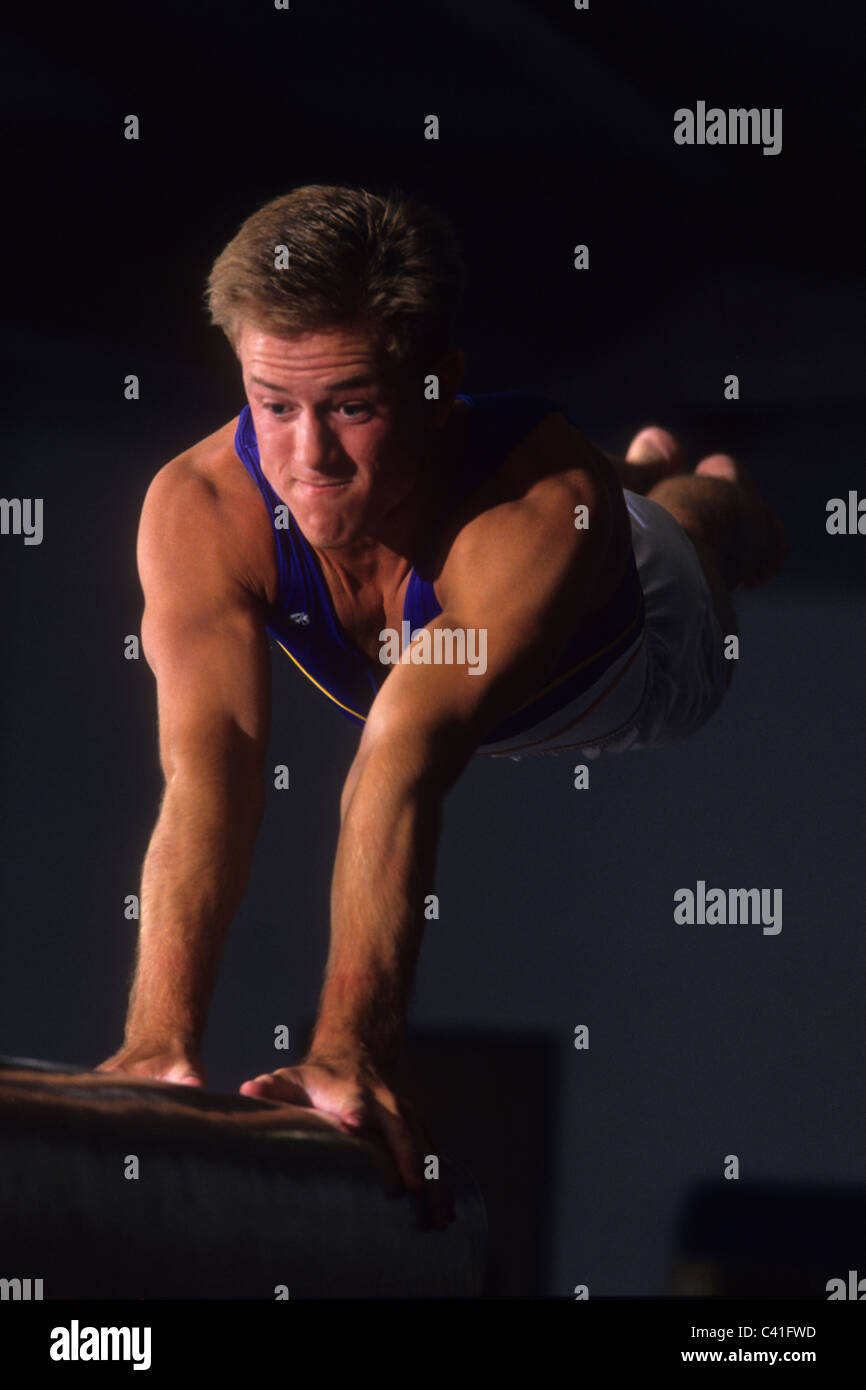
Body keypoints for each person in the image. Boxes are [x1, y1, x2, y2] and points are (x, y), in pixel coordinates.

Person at [97, 184, 784, 1227]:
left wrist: (351, 1047)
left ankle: (708, 498)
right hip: (515, 561)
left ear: (436, 382)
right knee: (603, 488)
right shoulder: (196, 508)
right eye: (271, 404)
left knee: (680, 528)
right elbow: (211, 772)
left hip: (642, 649)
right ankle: (636, 466)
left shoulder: (535, 512)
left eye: (353, 407)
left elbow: (401, 760)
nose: (306, 460)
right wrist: (158, 1041)